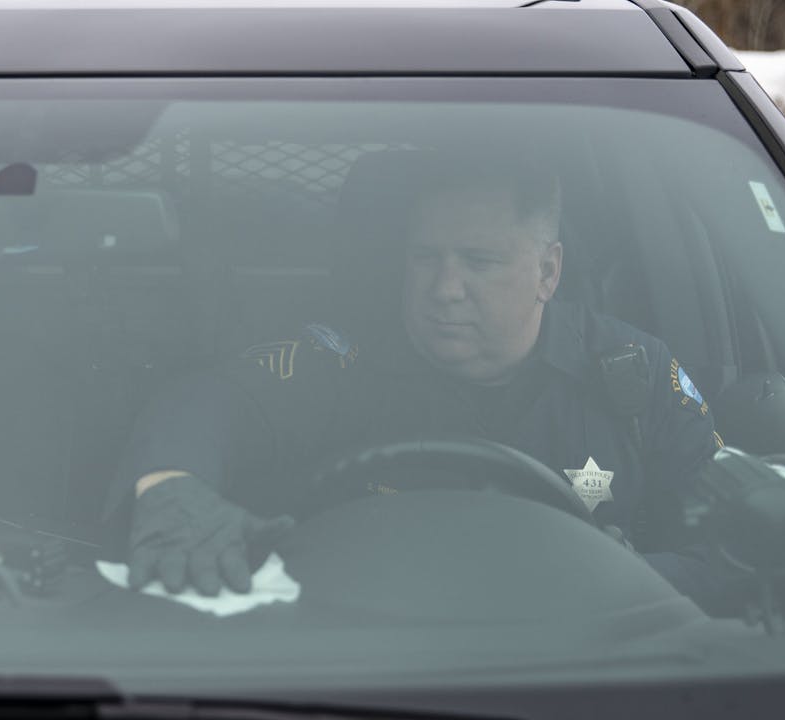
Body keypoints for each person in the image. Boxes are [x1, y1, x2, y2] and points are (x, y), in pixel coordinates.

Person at [108, 149, 726, 606]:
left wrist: (627, 577)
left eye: (479, 262)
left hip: (590, 671)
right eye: (426, 258)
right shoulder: (341, 361)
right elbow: (207, 402)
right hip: (366, 666)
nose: (445, 289)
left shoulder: (633, 375)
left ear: (547, 270)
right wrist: (170, 485)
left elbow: (737, 553)